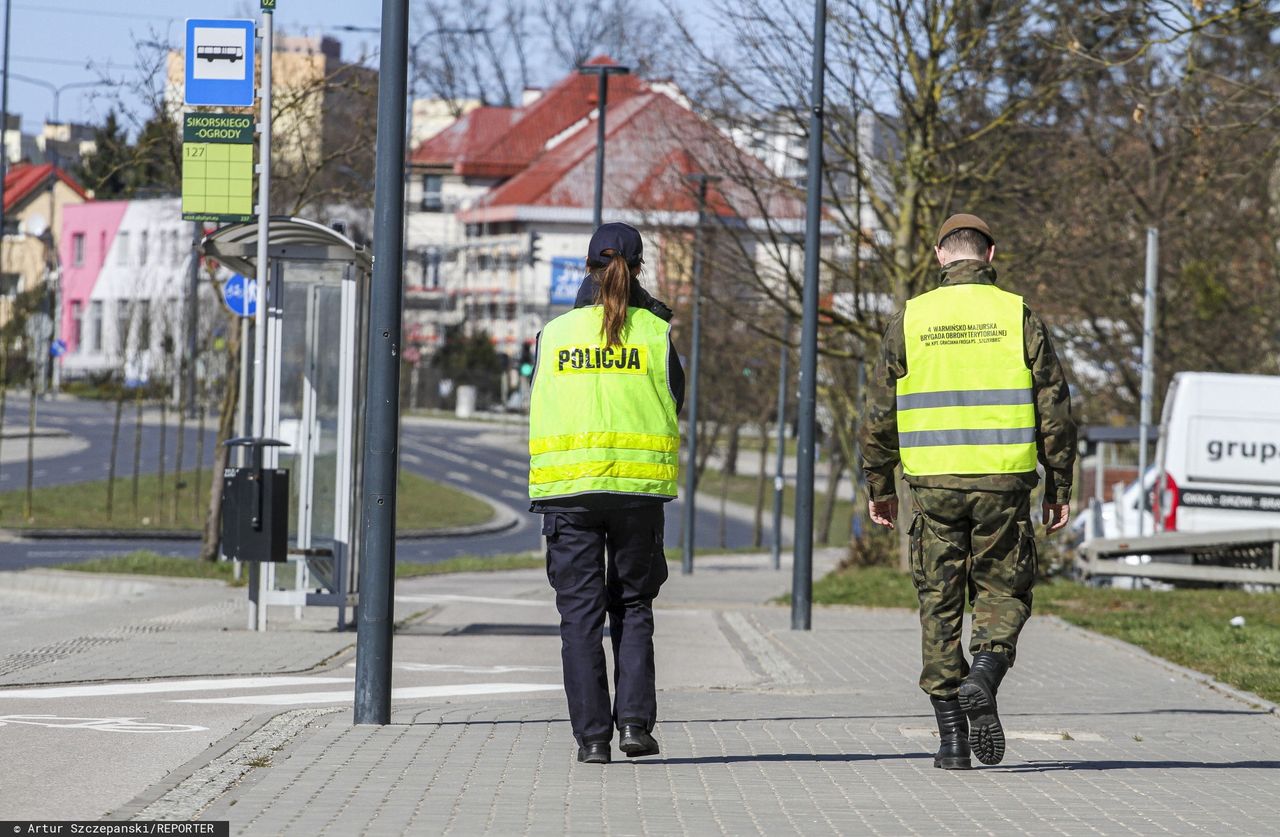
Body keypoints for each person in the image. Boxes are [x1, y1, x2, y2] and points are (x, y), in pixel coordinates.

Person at [860, 213, 1077, 769]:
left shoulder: (912, 317)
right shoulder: (1017, 314)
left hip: (932, 485)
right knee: (1004, 591)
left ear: (939, 256)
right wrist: (1059, 483)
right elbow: (1054, 404)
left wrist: (879, 485)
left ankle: (952, 742)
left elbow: (878, 411)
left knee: (940, 602)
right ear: (991, 253)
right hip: (1003, 482)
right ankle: (986, 671)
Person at [528, 222, 685, 765]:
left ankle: (593, 739)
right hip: (637, 492)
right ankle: (636, 727)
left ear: (587, 267)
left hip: (568, 494)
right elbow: (675, 399)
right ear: (639, 268)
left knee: (579, 618)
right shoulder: (655, 333)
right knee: (634, 606)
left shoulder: (554, 333)